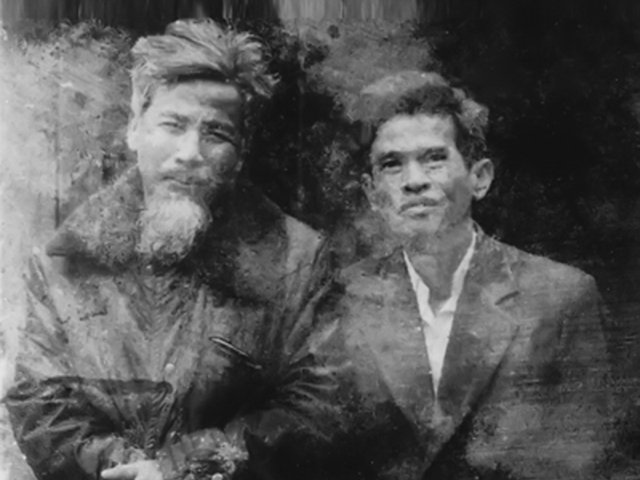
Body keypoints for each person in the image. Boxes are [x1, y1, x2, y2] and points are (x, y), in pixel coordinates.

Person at [4, 19, 336, 480]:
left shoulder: (298, 259)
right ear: (134, 129)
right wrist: (123, 468)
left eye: (216, 133)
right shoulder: (64, 260)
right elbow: (39, 403)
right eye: (173, 124)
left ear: (240, 152)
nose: (190, 152)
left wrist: (196, 464)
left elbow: (315, 404)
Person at [319, 71, 613, 480]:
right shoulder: (344, 299)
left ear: (480, 178)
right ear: (371, 194)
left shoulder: (560, 297)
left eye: (434, 158)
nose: (414, 181)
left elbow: (587, 460)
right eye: (392, 164)